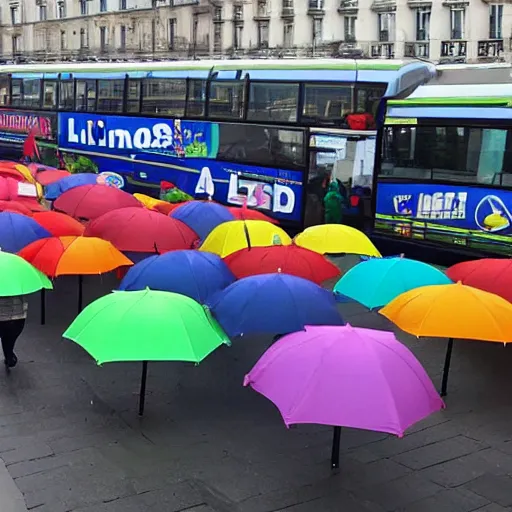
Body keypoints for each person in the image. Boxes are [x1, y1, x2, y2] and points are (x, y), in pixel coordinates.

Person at [0, 295, 28, 368]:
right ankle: (9, 355)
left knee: (7, 336)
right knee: (9, 338)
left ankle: (9, 355)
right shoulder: (18, 284)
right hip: (16, 315)